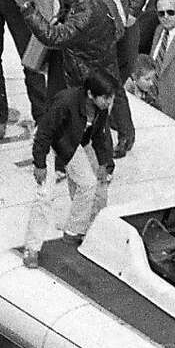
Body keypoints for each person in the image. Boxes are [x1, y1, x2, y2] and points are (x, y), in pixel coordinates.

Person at [23, 70, 116, 266]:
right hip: (48, 143)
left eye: (111, 97)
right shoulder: (66, 102)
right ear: (91, 94)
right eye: (106, 98)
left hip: (70, 143)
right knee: (45, 195)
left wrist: (105, 162)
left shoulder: (101, 109)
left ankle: (74, 230)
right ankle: (31, 248)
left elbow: (101, 136)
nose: (109, 102)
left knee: (88, 184)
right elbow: (45, 133)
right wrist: (40, 164)